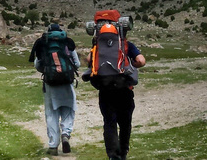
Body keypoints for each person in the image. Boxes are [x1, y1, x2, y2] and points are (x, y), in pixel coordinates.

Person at [83, 21, 146, 160]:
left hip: (105, 90)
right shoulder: (125, 45)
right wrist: (130, 66)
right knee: (125, 122)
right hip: (124, 89)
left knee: (109, 122)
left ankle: (112, 155)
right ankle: (123, 152)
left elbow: (88, 60)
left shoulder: (98, 46)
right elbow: (141, 61)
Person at [34, 23, 79, 155]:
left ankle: (53, 146)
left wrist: (48, 71)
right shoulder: (66, 43)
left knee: (51, 114)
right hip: (67, 83)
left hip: (50, 84)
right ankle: (66, 134)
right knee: (69, 109)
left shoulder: (44, 44)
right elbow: (77, 63)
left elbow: (37, 64)